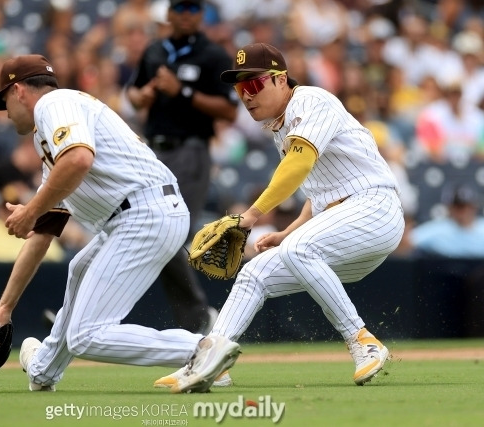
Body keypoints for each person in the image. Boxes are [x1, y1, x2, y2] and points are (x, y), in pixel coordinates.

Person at [155, 43, 405, 391]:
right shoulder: (280, 126)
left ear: (281, 79)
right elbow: (317, 192)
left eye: (254, 84)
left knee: (298, 249)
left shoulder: (310, 101)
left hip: (376, 210)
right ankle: (211, 361)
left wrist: (252, 215)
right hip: (345, 227)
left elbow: (299, 163)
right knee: (254, 273)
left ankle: (362, 339)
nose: (246, 95)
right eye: (240, 88)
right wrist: (289, 231)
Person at [0, 54, 240, 393]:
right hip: (139, 213)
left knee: (86, 336)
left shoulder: (53, 104)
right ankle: (44, 368)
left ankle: (201, 350)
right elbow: (46, 229)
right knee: (78, 267)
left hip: (144, 212)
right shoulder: (52, 129)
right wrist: (7, 304)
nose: (5, 113)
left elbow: (78, 159)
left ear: (17, 90)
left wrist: (30, 209)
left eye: (4, 102)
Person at [126, 0, 238, 336]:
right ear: (170, 13)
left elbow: (230, 111)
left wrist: (184, 92)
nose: (187, 14)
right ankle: (199, 321)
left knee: (169, 235)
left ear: (201, 14)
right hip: (153, 152)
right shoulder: (155, 50)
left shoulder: (213, 55)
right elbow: (132, 92)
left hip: (190, 151)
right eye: (181, 7)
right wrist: (141, 96)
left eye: (193, 8)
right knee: (150, 234)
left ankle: (200, 321)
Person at [409, 183, 484, 258]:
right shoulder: (437, 229)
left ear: (474, 207)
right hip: (445, 268)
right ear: (449, 208)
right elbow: (407, 242)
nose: (462, 212)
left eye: (465, 206)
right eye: (457, 207)